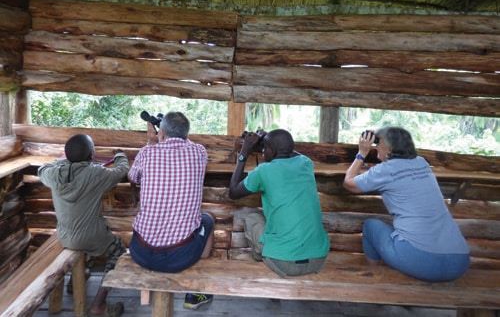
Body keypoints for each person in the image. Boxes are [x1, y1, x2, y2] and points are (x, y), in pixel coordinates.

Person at [343, 126, 470, 282]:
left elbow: (349, 183)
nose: (376, 147)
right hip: (459, 263)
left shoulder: (385, 170)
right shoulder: (422, 163)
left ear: (388, 148)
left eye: (378, 143)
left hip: (422, 261)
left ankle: (374, 278)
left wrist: (362, 153)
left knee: (370, 226)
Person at [128, 111, 215, 310]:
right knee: (208, 219)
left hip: (141, 251)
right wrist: (170, 133)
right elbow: (185, 141)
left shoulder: (147, 152)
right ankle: (197, 290)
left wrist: (152, 142)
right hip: (180, 257)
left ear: (162, 132)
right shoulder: (199, 152)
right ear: (186, 133)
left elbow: (133, 177)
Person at [38, 134, 130, 317]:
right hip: (92, 236)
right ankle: (98, 304)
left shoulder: (53, 174)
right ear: (91, 155)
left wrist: (62, 161)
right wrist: (120, 155)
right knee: (118, 251)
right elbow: (121, 170)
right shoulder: (95, 173)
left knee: (90, 241)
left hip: (64, 236)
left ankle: (75, 282)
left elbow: (42, 169)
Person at [228, 129, 330, 277]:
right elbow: (290, 151)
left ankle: (265, 256)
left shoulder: (264, 170)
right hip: (318, 259)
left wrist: (244, 153)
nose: (262, 152)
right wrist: (270, 140)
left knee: (253, 219)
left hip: (285, 263)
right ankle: (271, 252)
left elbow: (233, 192)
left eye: (264, 149)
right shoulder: (306, 164)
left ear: (272, 151)